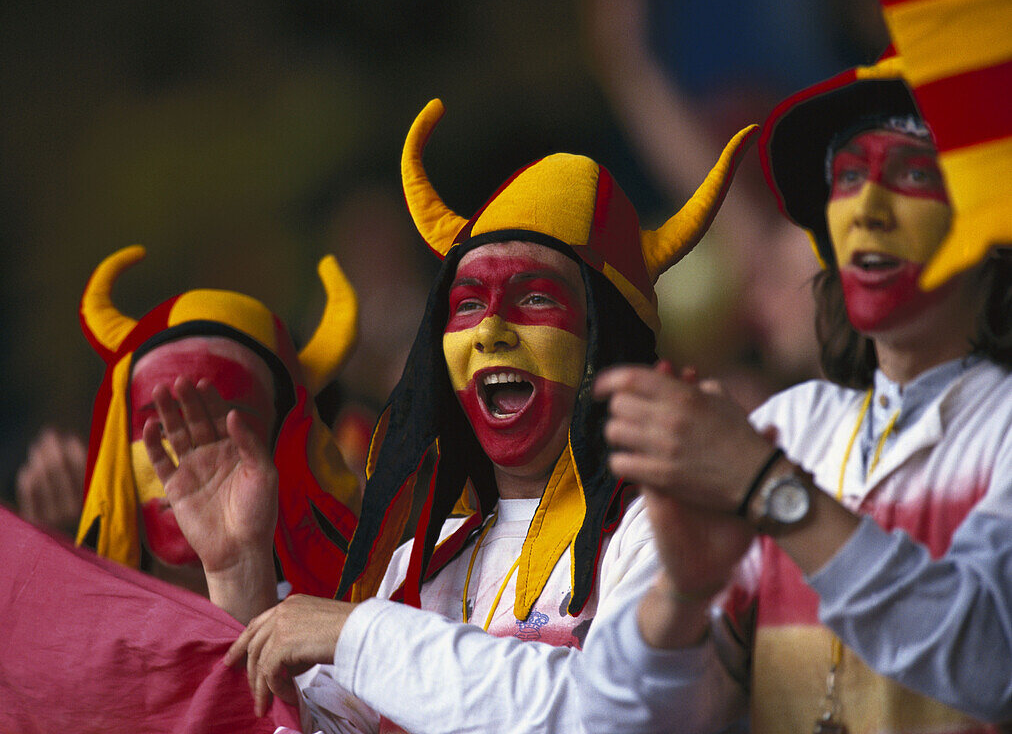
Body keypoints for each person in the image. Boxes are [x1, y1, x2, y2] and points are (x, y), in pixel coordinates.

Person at [146, 98, 756, 731]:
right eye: (468, 305)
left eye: (535, 297)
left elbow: (607, 714)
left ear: (608, 343)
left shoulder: (669, 529)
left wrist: (363, 634)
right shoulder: (420, 564)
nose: (490, 330)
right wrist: (240, 569)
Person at [585, 55, 1012, 732]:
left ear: (992, 220)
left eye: (913, 173)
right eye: (847, 176)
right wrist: (681, 594)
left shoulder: (1002, 428)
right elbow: (616, 716)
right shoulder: (791, 425)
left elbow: (993, 662)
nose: (867, 207)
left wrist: (773, 492)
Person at [74, 244, 361, 620]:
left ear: (285, 442)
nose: (190, 450)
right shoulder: (69, 633)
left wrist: (240, 579)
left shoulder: (354, 634)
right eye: (161, 425)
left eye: (226, 421)